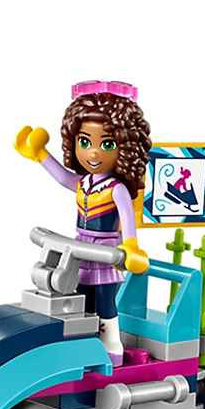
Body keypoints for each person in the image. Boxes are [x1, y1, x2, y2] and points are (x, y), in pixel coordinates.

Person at [15, 81, 151, 366]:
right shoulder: (84, 183)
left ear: (125, 148)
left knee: (105, 301)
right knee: (80, 299)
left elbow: (127, 218)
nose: (93, 153)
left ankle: (112, 345)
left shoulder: (116, 189)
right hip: (80, 250)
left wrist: (131, 247)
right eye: (85, 142)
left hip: (105, 253)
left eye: (107, 144)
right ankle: (84, 344)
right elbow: (63, 177)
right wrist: (40, 155)